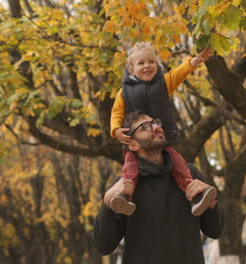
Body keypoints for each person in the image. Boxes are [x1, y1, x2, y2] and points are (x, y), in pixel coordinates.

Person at [93, 111, 225, 263]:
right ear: (133, 144)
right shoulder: (123, 187)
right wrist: (107, 203)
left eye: (156, 122)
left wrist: (211, 203)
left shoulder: (190, 175)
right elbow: (103, 246)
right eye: (146, 127)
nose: (155, 127)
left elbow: (215, 231)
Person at [109, 41, 216, 216]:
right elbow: (116, 113)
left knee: (179, 164)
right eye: (141, 63)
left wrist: (194, 62)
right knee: (130, 169)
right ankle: (123, 197)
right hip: (134, 140)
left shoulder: (164, 83)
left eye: (151, 62)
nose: (147, 66)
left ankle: (195, 195)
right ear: (131, 69)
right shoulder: (124, 92)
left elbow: (179, 73)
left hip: (160, 137)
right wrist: (116, 130)